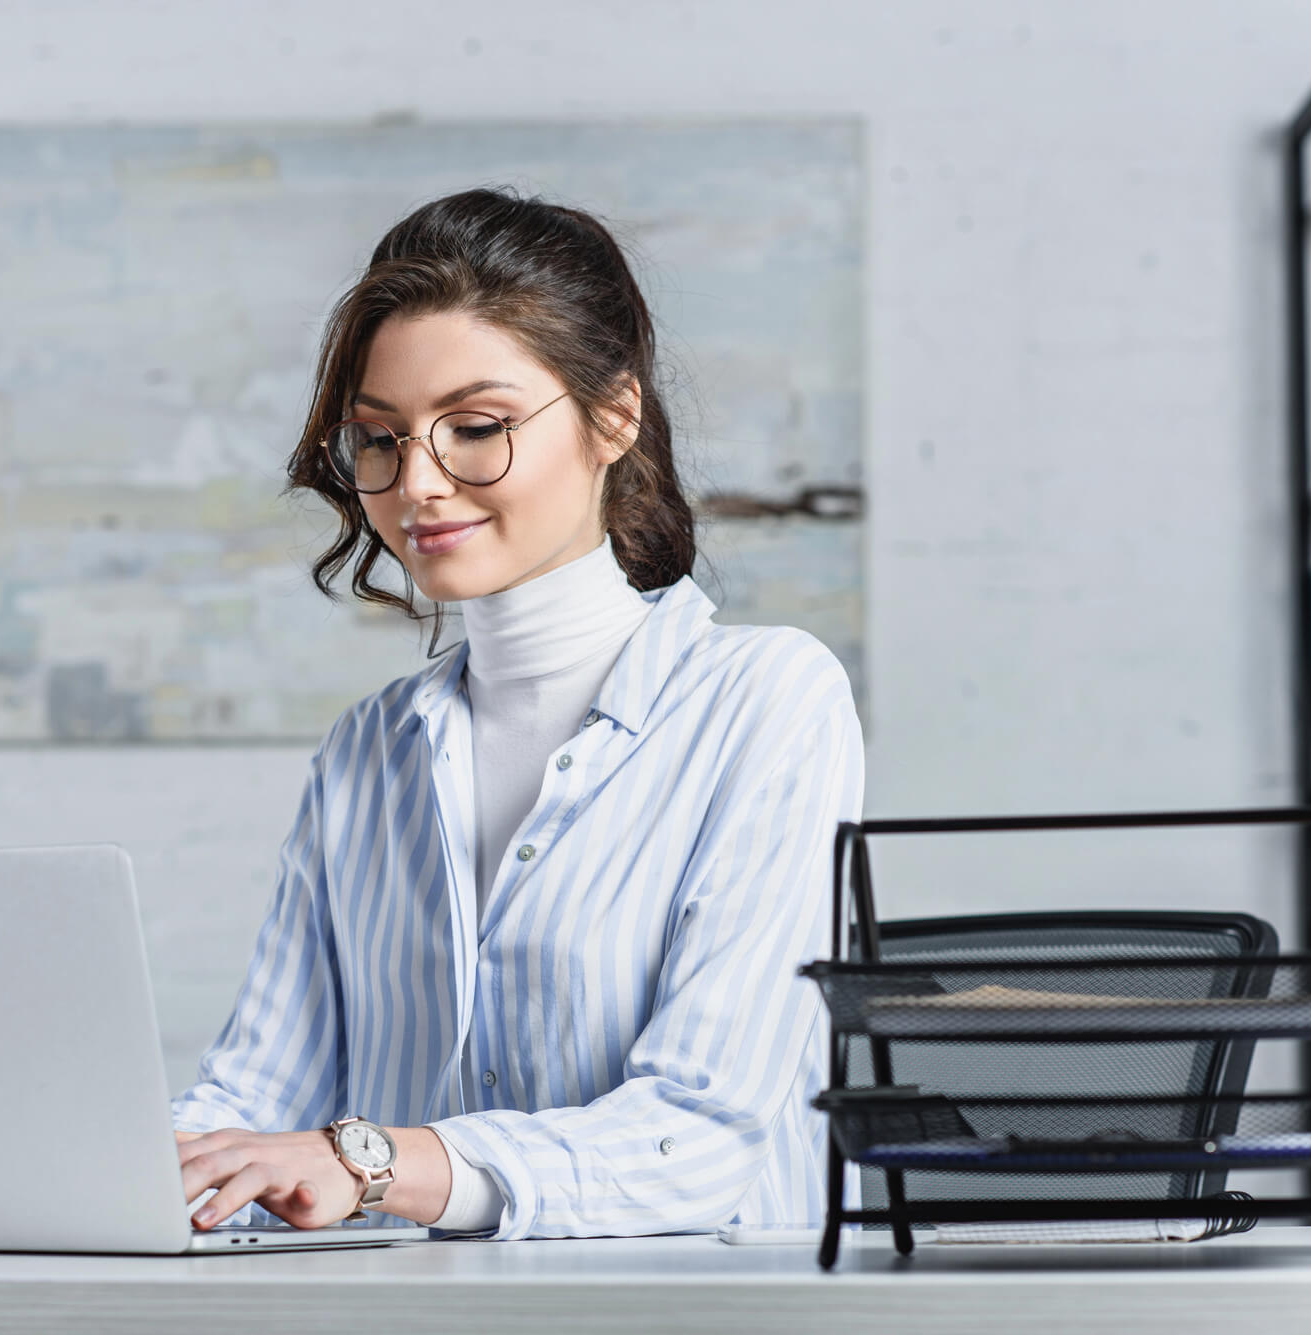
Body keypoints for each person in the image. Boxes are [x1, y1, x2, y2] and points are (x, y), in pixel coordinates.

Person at [168, 186, 864, 1241]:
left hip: (694, 1310)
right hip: (420, 1310)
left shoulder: (765, 700)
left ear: (613, 416)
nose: (417, 483)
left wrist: (372, 1164)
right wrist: (124, 1169)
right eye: (380, 438)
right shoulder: (370, 750)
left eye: (476, 428)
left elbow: (699, 1132)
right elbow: (257, 1096)